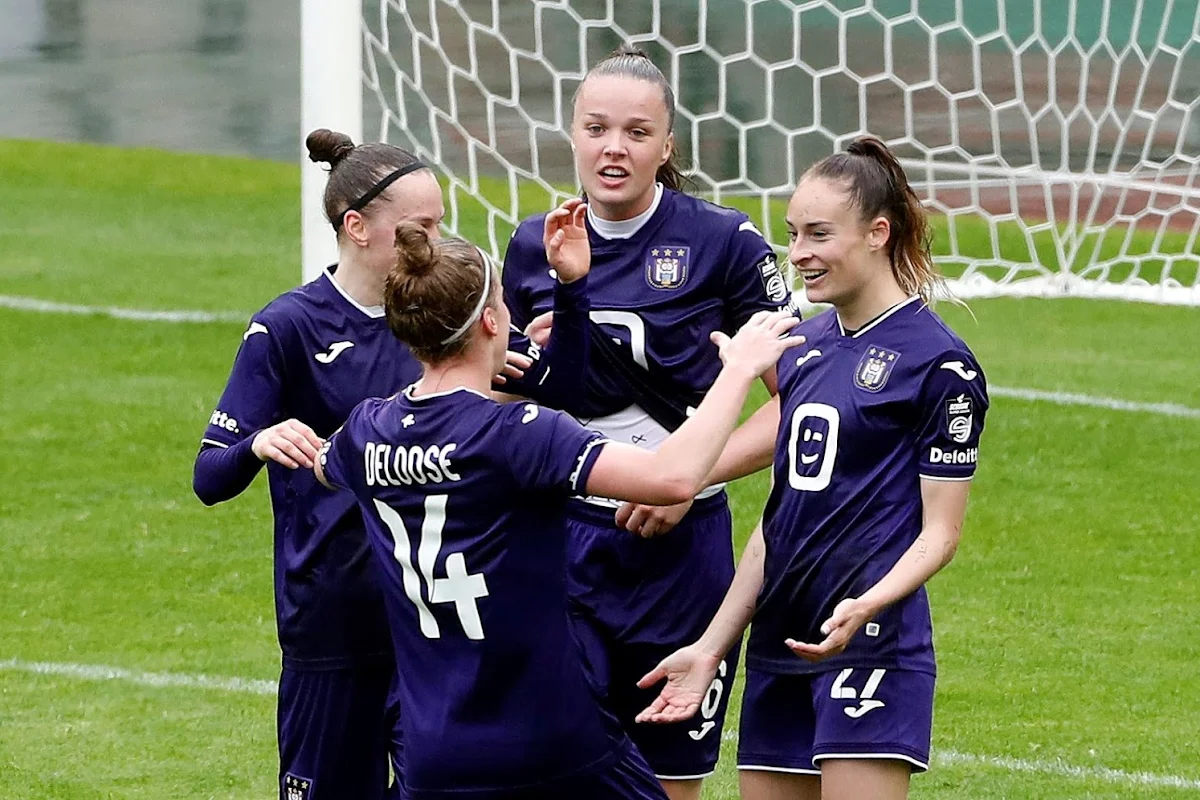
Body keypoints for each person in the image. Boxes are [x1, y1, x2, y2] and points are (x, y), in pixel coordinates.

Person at [313, 212, 803, 800]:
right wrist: (740, 370)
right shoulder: (517, 434)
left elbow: (323, 461)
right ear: (494, 321)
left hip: (432, 750)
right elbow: (673, 478)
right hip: (548, 738)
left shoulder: (368, 430)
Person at [192, 129, 592, 800]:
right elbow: (209, 476)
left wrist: (572, 294)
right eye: (423, 225)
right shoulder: (288, 328)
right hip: (332, 630)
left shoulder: (444, 320)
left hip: (434, 636)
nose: (437, 239)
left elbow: (566, 388)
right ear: (357, 228)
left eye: (440, 224)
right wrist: (257, 444)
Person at [634, 135, 990, 800]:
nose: (799, 254)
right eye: (793, 234)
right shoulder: (801, 350)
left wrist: (869, 603)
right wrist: (713, 647)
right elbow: (777, 523)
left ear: (877, 233)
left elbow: (941, 534)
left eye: (819, 234)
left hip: (870, 645)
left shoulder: (938, 365)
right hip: (777, 644)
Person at [500, 45, 794, 799]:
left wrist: (684, 483)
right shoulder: (533, 246)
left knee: (668, 783)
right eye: (597, 128)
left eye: (636, 132)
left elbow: (800, 407)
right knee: (555, 770)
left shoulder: (724, 243)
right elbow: (501, 401)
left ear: (667, 146)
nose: (613, 148)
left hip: (682, 557)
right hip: (561, 544)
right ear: (572, 133)